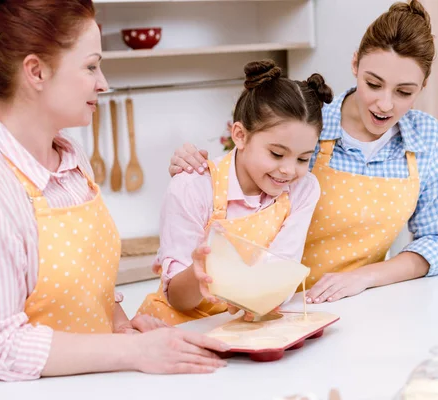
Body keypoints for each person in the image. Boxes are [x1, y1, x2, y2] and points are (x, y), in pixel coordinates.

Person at [0, 0, 228, 381]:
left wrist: (122, 327)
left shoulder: (71, 158)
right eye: (90, 66)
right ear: (36, 71)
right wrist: (133, 350)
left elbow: (89, 290)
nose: (102, 82)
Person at [166, 0, 438, 305]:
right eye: (373, 84)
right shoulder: (310, 124)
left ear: (423, 86)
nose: (385, 104)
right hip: (269, 304)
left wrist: (366, 276)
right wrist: (193, 169)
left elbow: (437, 239)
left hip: (354, 305)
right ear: (355, 64)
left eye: (403, 92)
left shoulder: (425, 137)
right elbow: (244, 173)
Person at [137, 60, 333, 325]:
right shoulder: (193, 186)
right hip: (177, 327)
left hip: (242, 326)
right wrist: (200, 271)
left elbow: (282, 271)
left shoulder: (303, 189)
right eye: (276, 153)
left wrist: (256, 298)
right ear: (240, 135)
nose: (288, 170)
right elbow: (178, 299)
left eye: (302, 159)